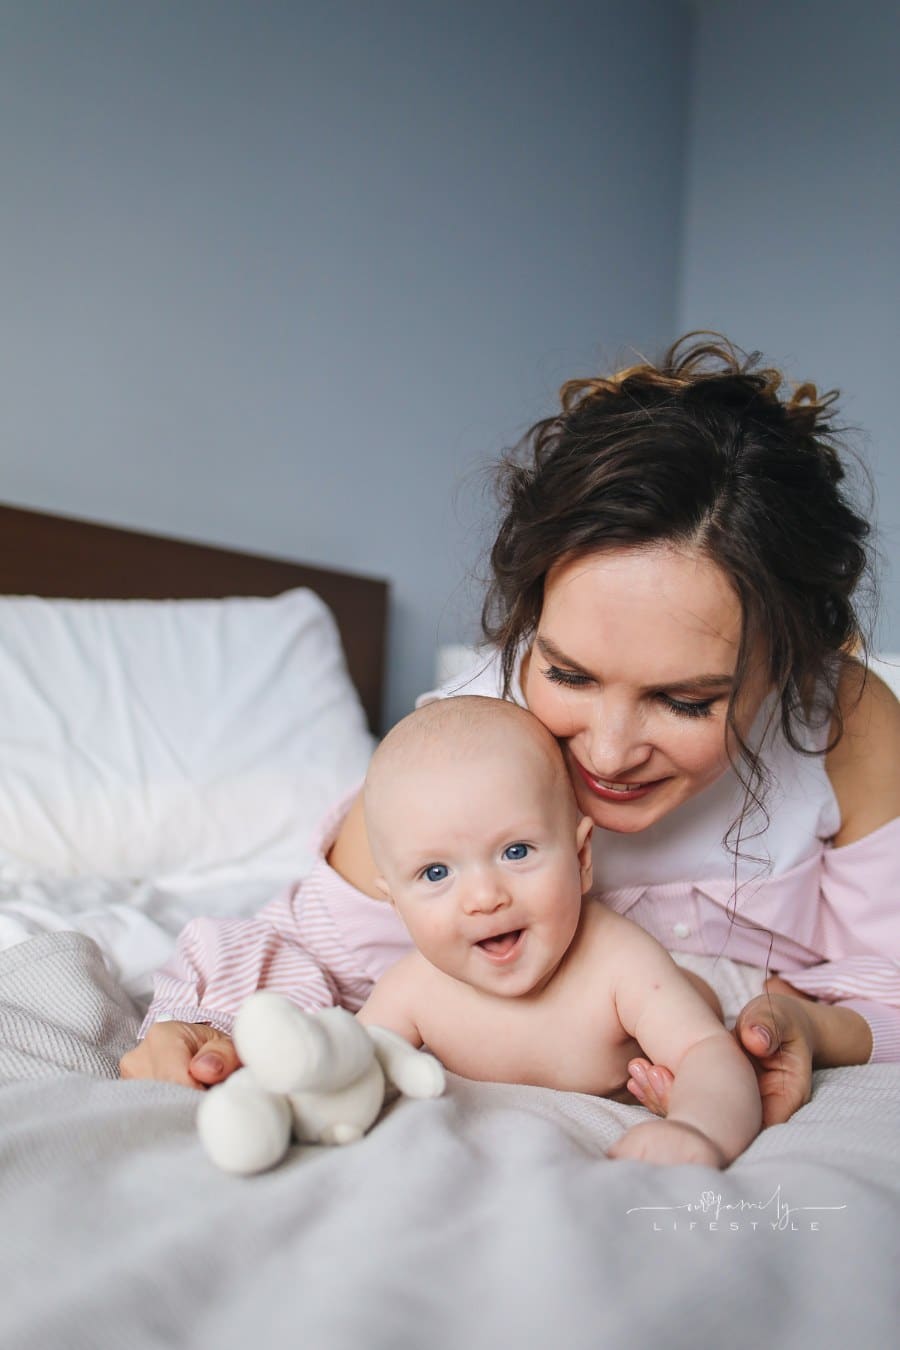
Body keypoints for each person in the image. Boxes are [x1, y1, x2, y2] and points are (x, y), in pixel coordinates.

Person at [121, 333, 900, 1128]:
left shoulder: (845, 721)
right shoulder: (458, 749)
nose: (606, 753)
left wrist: (816, 1027)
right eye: (566, 674)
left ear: (788, 665)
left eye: (685, 701)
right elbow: (313, 953)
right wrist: (211, 1031)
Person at [355, 695, 762, 1167]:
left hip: (698, 983)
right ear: (396, 906)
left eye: (516, 852)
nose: (485, 898)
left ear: (582, 858)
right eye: (435, 873)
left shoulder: (619, 964)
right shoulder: (413, 991)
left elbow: (707, 1053)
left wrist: (697, 1127)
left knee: (727, 1012)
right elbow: (342, 1067)